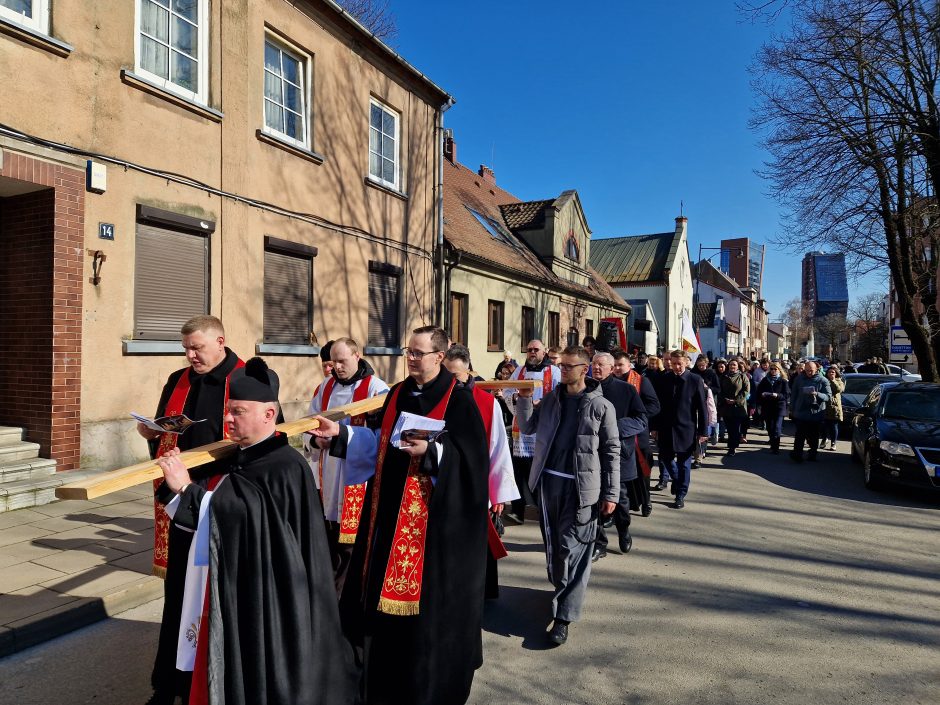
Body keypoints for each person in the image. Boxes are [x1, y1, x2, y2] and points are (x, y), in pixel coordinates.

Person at [154, 358, 356, 705]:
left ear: (268, 414)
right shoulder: (243, 455)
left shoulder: (283, 465)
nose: (228, 419)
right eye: (228, 410)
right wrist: (179, 489)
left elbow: (244, 516)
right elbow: (234, 512)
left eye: (238, 411)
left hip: (274, 595)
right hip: (250, 584)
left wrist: (187, 490)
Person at [311, 327, 490, 705]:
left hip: (433, 533)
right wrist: (341, 436)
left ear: (439, 357)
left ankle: (422, 684)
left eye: (418, 353)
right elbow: (377, 445)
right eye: (408, 352)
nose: (410, 359)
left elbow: (473, 464)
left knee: (423, 625)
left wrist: (434, 454)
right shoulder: (396, 394)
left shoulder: (459, 401)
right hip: (389, 520)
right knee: (382, 622)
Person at [139, 315, 244, 705]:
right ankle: (170, 684)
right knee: (179, 595)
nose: (190, 355)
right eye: (186, 348)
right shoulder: (177, 380)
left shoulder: (248, 378)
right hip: (180, 504)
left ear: (220, 341)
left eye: (197, 348)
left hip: (222, 504)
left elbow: (264, 441)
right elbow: (165, 429)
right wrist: (152, 433)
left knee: (217, 597)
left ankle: (216, 682)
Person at [514, 345, 620, 645]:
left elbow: (611, 451)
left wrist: (611, 492)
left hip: (582, 488)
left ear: (584, 369)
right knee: (556, 548)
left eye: (569, 367)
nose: (563, 371)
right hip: (549, 485)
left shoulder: (601, 407)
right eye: (561, 367)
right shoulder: (552, 399)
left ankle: (564, 617)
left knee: (574, 549)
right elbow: (527, 426)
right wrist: (522, 401)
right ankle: (560, 591)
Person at [303, 337, 389, 594]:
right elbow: (307, 423)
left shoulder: (377, 389)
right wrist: (316, 440)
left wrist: (342, 436)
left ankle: (347, 597)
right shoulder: (325, 387)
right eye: (332, 362)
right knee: (330, 539)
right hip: (329, 473)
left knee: (353, 546)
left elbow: (382, 438)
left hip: (358, 477)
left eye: (342, 361)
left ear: (357, 355)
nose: (336, 368)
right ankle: (328, 594)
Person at [443, 344, 519, 599]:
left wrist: (499, 494)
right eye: (446, 375)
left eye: (455, 376)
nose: (450, 382)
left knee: (477, 543)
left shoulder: (486, 403)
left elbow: (498, 448)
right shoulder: (438, 397)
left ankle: (480, 592)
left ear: (468, 372)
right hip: (445, 483)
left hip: (476, 486)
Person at [590, 352, 647, 561]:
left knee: (620, 499)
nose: (596, 368)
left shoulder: (626, 390)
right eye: (594, 364)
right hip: (591, 454)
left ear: (612, 368)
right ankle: (599, 543)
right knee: (593, 498)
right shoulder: (584, 388)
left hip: (619, 453)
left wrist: (614, 428)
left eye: (601, 365)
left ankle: (624, 530)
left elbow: (641, 420)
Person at [507, 339, 561, 524]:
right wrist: (516, 397)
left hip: (542, 428)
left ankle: (542, 507)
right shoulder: (519, 371)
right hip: (520, 430)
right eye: (529, 349)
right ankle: (517, 510)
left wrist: (541, 404)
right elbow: (508, 391)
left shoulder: (553, 371)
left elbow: (558, 396)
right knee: (518, 471)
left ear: (544, 351)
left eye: (536, 349)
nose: (532, 352)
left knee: (538, 470)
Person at [650, 350, 708, 509]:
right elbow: (657, 406)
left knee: (684, 464)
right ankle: (676, 479)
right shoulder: (664, 379)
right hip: (666, 427)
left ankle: (681, 494)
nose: (675, 366)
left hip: (686, 429)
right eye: (673, 363)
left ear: (686, 363)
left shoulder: (695, 380)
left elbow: (702, 408)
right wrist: (654, 427)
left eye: (679, 363)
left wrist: (703, 431)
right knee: (666, 458)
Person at [612, 349, 660, 515]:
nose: (617, 368)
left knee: (642, 471)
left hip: (638, 435)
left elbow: (654, 406)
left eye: (620, 365)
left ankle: (646, 501)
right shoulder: (610, 382)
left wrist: (636, 415)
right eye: (615, 365)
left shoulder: (641, 381)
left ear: (629, 365)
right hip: (617, 435)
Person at [789, 361, 832, 462]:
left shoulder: (823, 380)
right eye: (807, 370)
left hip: (815, 413)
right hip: (801, 412)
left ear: (816, 369)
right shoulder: (799, 379)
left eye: (811, 371)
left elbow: (828, 396)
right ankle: (797, 454)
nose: (809, 372)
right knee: (800, 435)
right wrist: (792, 408)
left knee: (813, 436)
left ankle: (813, 453)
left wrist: (817, 394)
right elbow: (794, 394)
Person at [719, 359, 750, 457]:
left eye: (734, 365)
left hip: (738, 408)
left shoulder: (742, 377)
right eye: (731, 364)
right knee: (729, 428)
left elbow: (746, 391)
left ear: (738, 366)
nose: (732, 366)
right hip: (726, 407)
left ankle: (732, 447)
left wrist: (736, 401)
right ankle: (732, 443)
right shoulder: (724, 376)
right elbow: (719, 390)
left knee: (735, 428)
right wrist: (724, 399)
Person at [756, 363, 790, 454]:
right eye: (771, 369)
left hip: (779, 407)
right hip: (767, 406)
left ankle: (776, 448)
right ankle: (772, 443)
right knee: (770, 427)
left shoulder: (783, 381)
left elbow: (786, 395)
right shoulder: (765, 380)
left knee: (776, 428)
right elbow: (758, 392)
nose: (773, 371)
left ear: (779, 370)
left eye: (775, 369)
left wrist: (777, 395)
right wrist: (762, 395)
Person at [823, 365, 845, 451]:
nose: (831, 374)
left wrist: (833, 381)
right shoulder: (824, 381)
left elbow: (839, 390)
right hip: (825, 405)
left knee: (833, 426)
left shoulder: (839, 381)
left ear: (836, 373)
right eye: (829, 372)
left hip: (834, 407)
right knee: (824, 425)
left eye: (833, 372)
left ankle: (833, 442)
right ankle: (824, 439)